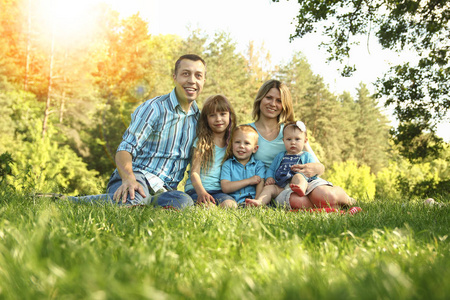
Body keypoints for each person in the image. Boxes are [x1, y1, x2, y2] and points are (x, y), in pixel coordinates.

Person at [65, 54, 207, 209]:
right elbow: (125, 149)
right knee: (134, 201)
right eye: (185, 74)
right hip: (137, 176)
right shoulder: (154, 109)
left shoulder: (199, 121)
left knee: (184, 203)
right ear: (174, 77)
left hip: (165, 191)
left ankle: (140, 204)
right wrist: (129, 179)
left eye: (198, 76)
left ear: (203, 81)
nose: (192, 80)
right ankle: (69, 202)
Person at [244, 79, 357, 210]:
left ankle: (347, 200)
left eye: (279, 100)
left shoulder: (291, 131)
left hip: (305, 181)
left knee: (325, 195)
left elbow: (318, 166)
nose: (273, 104)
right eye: (268, 97)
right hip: (278, 187)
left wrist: (315, 169)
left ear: (284, 105)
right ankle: (332, 207)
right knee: (298, 202)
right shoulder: (247, 132)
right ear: (260, 99)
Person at [246, 120, 321, 206]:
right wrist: (269, 177)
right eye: (289, 139)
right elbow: (272, 168)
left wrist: (306, 176)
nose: (293, 142)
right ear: (283, 140)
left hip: (296, 182)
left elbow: (312, 172)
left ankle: (301, 189)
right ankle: (260, 201)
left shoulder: (307, 156)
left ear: (305, 141)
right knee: (269, 188)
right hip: (280, 186)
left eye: (297, 139)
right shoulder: (280, 156)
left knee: (298, 176)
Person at [184, 94, 237, 208]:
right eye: (212, 115)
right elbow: (194, 172)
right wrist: (201, 192)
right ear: (206, 119)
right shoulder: (201, 142)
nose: (218, 119)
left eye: (223, 114)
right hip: (196, 190)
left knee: (230, 205)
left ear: (230, 116)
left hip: (219, 191)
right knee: (208, 208)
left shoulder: (233, 142)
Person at [220, 125, 266, 208]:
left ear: (255, 149)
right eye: (237, 142)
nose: (241, 146)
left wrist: (256, 201)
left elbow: (260, 183)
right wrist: (249, 181)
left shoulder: (259, 165)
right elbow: (225, 187)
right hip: (234, 201)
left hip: (252, 199)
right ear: (231, 145)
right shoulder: (228, 165)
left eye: (247, 143)